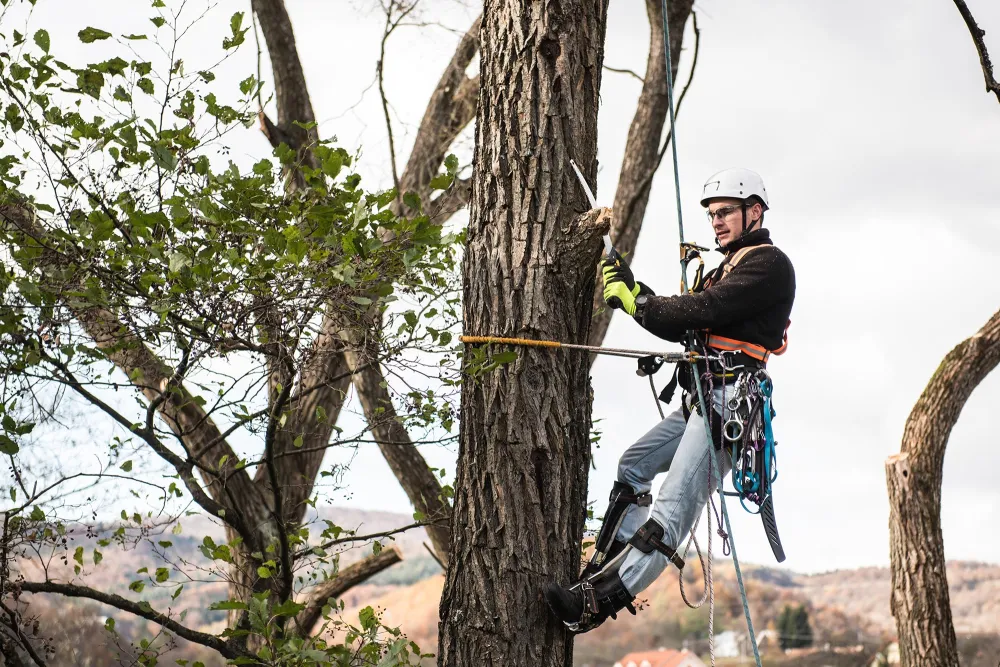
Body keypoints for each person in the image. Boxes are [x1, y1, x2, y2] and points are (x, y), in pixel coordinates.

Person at [544, 168, 796, 633]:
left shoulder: (768, 265)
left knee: (671, 512)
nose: (716, 223)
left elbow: (703, 311)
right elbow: (686, 317)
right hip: (702, 398)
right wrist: (636, 291)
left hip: (727, 408)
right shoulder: (727, 267)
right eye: (712, 215)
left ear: (754, 211)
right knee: (633, 465)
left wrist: (637, 302)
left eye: (724, 213)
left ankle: (592, 604)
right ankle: (607, 561)